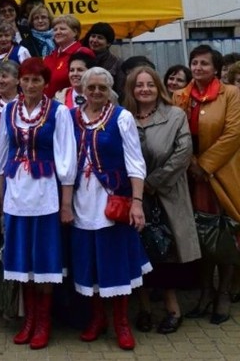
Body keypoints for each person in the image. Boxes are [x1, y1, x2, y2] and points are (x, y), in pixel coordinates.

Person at [0, 58, 76, 349]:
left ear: (46, 83)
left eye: (36, 80)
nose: (30, 85)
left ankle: (43, 322)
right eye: (26, 80)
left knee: (43, 259)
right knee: (22, 260)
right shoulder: (8, 110)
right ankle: (28, 319)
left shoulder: (59, 112)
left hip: (46, 193)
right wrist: (2, 202)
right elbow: (2, 159)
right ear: (19, 81)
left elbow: (67, 159)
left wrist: (66, 204)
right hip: (17, 193)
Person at [71, 67, 150, 351]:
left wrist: (137, 202)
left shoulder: (122, 117)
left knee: (115, 263)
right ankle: (97, 319)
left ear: (109, 90)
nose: (95, 93)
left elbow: (135, 161)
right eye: (91, 87)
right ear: (82, 90)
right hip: (82, 200)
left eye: (101, 88)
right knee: (89, 262)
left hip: (113, 201)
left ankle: (121, 323)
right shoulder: (72, 117)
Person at [122, 67, 200, 334]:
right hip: (135, 198)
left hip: (166, 194)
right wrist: (138, 189)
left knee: (167, 255)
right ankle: (143, 308)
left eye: (150, 85)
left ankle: (172, 310)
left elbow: (183, 153)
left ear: (159, 88)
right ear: (131, 89)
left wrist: (152, 182)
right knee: (139, 252)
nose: (145, 89)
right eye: (139, 85)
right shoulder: (124, 117)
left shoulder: (175, 116)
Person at [173, 45, 240, 324]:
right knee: (199, 236)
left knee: (223, 236)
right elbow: (175, 133)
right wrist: (190, 163)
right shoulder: (180, 96)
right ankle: (205, 291)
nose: (198, 68)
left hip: (221, 174)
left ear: (215, 68)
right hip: (190, 176)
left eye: (204, 64)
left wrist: (205, 164)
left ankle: (223, 293)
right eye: (194, 63)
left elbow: (234, 132)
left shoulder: (231, 94)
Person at [42, 15, 93, 98]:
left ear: (75, 32)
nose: (58, 32)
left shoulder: (82, 52)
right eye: (55, 30)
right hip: (49, 106)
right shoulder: (49, 57)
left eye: (62, 29)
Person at [82, 22, 125, 96]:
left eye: (100, 38)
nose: (95, 40)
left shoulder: (117, 63)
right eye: (93, 36)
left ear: (108, 43)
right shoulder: (81, 59)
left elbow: (121, 91)